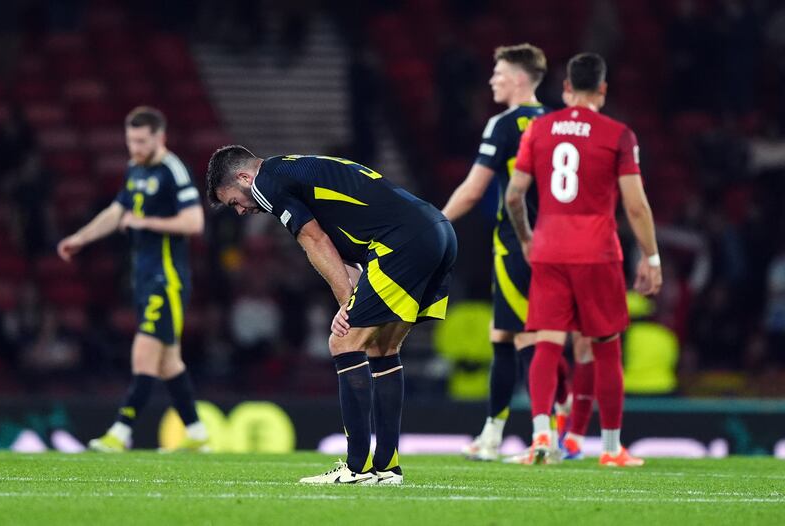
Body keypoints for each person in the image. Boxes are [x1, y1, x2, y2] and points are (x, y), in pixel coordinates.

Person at [206, 148, 457, 484]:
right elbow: (346, 243)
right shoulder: (296, 170)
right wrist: (353, 294)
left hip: (400, 242)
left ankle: (356, 467)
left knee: (342, 342)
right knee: (382, 349)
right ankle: (386, 467)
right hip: (435, 230)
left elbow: (314, 239)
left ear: (244, 178)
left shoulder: (267, 183)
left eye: (235, 201)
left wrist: (346, 305)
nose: (239, 211)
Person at [506, 53, 662, 467]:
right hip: (597, 253)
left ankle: (542, 437)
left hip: (549, 249)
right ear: (604, 90)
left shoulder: (539, 130)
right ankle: (610, 449)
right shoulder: (618, 134)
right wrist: (652, 257)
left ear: (566, 88)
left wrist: (526, 238)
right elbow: (636, 206)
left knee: (547, 344)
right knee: (606, 348)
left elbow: (514, 195)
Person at [441, 43, 587, 461]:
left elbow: (472, 191)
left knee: (526, 337)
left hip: (519, 244)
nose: (492, 80)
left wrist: (432, 225)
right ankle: (495, 435)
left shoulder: (505, 124)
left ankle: (548, 435)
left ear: (520, 79)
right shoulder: (562, 123)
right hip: (564, 244)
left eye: (499, 73)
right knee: (509, 334)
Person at [57, 106, 208, 452]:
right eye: (131, 141)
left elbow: (194, 222)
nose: (135, 148)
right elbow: (117, 211)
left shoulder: (173, 171)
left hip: (166, 278)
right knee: (169, 362)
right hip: (144, 276)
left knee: (144, 355)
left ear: (160, 137)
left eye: (141, 141)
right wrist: (81, 237)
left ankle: (120, 433)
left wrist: (145, 223)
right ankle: (198, 436)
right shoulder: (135, 168)